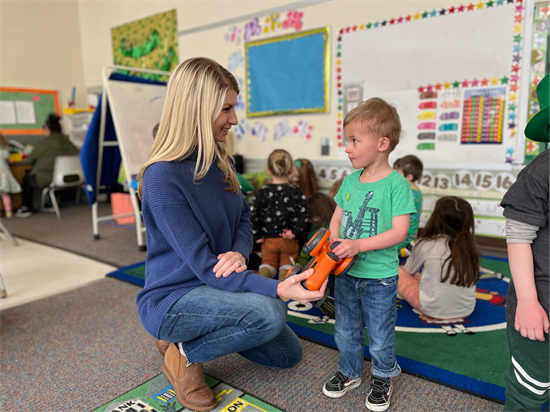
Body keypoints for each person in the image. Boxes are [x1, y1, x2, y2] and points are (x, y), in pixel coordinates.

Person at [135, 57, 326, 412]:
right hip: (175, 296)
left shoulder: (220, 160)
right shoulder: (162, 177)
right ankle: (185, 356)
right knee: (269, 312)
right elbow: (205, 266)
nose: (234, 119)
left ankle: (192, 339)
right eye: (226, 108)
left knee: (287, 354)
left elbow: (244, 222)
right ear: (196, 108)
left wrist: (240, 253)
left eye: (233, 108)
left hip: (217, 284)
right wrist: (277, 287)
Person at [322, 97, 416, 411]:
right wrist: (336, 243)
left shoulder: (397, 185)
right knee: (345, 329)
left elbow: (399, 233)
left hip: (380, 278)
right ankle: (350, 372)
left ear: (382, 143)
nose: (347, 148)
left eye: (354, 140)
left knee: (379, 334)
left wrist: (358, 245)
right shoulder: (350, 181)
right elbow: (337, 217)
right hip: (346, 274)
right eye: (347, 140)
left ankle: (381, 376)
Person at [500, 73, 550, 411]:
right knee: (531, 389)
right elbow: (518, 238)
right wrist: (529, 302)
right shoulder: (539, 173)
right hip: (541, 302)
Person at [397, 196, 480, 320]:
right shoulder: (470, 246)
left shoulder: (425, 244)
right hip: (466, 309)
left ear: (435, 218)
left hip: (432, 310)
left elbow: (409, 271)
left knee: (398, 272)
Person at [250, 149, 310, 280]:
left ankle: (263, 288)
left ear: (268, 170)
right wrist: (294, 231)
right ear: (291, 171)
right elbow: (304, 214)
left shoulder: (262, 192)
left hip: (268, 239)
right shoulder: (296, 191)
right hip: (289, 240)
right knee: (287, 266)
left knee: (267, 264)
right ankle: (285, 294)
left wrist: (258, 236)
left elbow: (254, 214)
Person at [15, 113, 79, 217]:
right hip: (71, 178)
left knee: (27, 179)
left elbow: (29, 161)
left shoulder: (43, 143)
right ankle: (50, 203)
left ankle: (26, 207)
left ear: (48, 129)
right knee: (50, 173)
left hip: (48, 179)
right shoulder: (69, 143)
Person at [393, 155, 424, 257]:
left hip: (401, 243)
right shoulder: (416, 191)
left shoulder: (406, 192)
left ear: (408, 177)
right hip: (409, 239)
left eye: (398, 174)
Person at [0, 133, 22, 218]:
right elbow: (8, 160)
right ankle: (9, 212)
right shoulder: (4, 150)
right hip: (3, 176)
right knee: (5, 195)